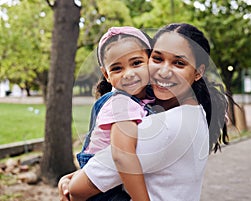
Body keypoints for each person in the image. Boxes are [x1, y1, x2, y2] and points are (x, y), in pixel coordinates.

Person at [58, 23, 228, 201]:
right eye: (157, 59)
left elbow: (76, 190)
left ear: (198, 72)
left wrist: (71, 181)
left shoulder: (163, 127)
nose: (163, 72)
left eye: (179, 63)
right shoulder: (195, 112)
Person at [70, 26, 155, 201]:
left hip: (105, 181)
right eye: (117, 68)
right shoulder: (122, 103)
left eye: (136, 63)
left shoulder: (141, 100)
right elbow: (122, 157)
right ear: (106, 75)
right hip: (104, 190)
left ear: (150, 61)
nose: (128, 74)